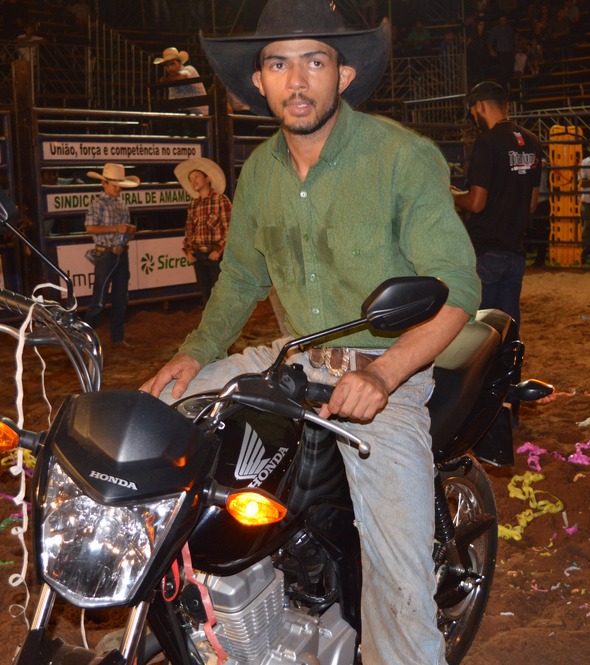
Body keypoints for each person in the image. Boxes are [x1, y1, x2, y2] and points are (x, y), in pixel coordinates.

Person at [141, 1, 481, 663]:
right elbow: (239, 279)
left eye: (314, 61)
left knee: (397, 573)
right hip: (295, 354)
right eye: (278, 62)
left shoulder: (401, 157)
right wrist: (192, 354)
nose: (297, 80)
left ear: (344, 75)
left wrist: (384, 375)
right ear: (259, 82)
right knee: (163, 424)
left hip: (389, 367)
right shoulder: (261, 172)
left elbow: (459, 288)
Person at [452, 80, 542, 326]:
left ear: (480, 106)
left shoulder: (487, 141)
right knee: (508, 328)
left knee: (481, 331)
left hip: (487, 250)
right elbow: (532, 204)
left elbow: (477, 203)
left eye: (473, 113)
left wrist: (452, 195)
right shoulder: (533, 141)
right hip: (515, 251)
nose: (473, 118)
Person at [84, 163, 138, 347]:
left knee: (120, 297)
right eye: (114, 185)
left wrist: (128, 232)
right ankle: (85, 339)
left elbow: (121, 229)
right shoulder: (97, 204)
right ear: (104, 184)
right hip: (106, 255)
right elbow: (90, 228)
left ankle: (117, 337)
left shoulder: (122, 204)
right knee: (99, 299)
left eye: (119, 186)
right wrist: (118, 229)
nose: (117, 189)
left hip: (120, 253)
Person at [175, 157, 231, 304]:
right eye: (191, 179)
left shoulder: (220, 200)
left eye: (197, 177)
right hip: (199, 255)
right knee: (206, 295)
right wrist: (188, 251)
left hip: (216, 256)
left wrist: (219, 250)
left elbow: (231, 228)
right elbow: (189, 231)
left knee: (220, 296)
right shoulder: (194, 204)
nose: (193, 181)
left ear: (207, 178)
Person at [153, 47, 208, 115]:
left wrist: (165, 80)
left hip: (199, 114)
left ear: (180, 63)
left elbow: (181, 77)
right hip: (184, 114)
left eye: (172, 64)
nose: (170, 68)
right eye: (167, 65)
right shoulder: (171, 80)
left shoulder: (190, 69)